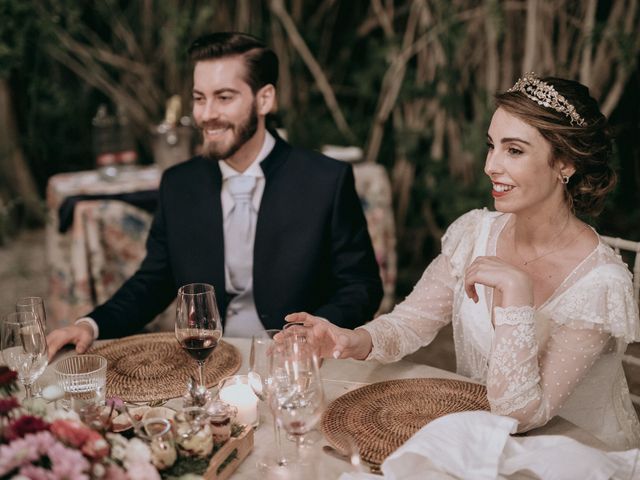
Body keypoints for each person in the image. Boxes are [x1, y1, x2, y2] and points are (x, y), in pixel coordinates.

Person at [285, 73, 640, 450]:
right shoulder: (473, 234)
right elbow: (409, 324)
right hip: (481, 442)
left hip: (577, 456)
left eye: (514, 150)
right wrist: (351, 339)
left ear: (565, 164)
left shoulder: (600, 284)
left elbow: (520, 416)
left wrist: (517, 294)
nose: (491, 165)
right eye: (492, 146)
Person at [46, 32, 382, 357]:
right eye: (199, 98)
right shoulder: (179, 184)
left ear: (264, 99)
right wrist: (91, 325)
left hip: (297, 363)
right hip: (206, 359)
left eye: (224, 97)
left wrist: (314, 331)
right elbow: (153, 281)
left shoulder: (325, 180)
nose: (206, 114)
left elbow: (361, 286)